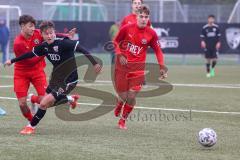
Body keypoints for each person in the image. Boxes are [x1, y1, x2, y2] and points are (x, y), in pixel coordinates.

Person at [5, 20, 102, 135]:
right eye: (46, 34)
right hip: (56, 79)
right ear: (42, 35)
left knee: (43, 103)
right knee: (46, 102)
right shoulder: (44, 46)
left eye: (51, 33)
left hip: (69, 81)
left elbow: (82, 49)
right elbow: (29, 54)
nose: (49, 36)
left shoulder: (63, 43)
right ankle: (70, 99)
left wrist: (94, 63)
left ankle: (30, 126)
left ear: (54, 33)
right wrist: (12, 60)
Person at [12, 15, 76, 123]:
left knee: (45, 101)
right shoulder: (18, 43)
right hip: (21, 73)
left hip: (37, 71)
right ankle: (31, 120)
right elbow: (29, 61)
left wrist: (66, 35)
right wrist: (43, 53)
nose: (33, 29)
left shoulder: (38, 33)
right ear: (22, 26)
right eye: (30, 26)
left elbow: (50, 35)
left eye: (34, 26)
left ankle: (33, 101)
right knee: (22, 104)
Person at [113, 5, 167, 130]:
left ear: (149, 18)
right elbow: (115, 42)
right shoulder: (127, 28)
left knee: (131, 97)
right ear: (136, 16)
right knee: (124, 96)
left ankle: (122, 121)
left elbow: (158, 51)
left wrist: (162, 66)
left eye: (146, 17)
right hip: (122, 67)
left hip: (138, 69)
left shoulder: (151, 33)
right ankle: (120, 102)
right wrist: (120, 54)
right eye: (141, 16)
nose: (143, 19)